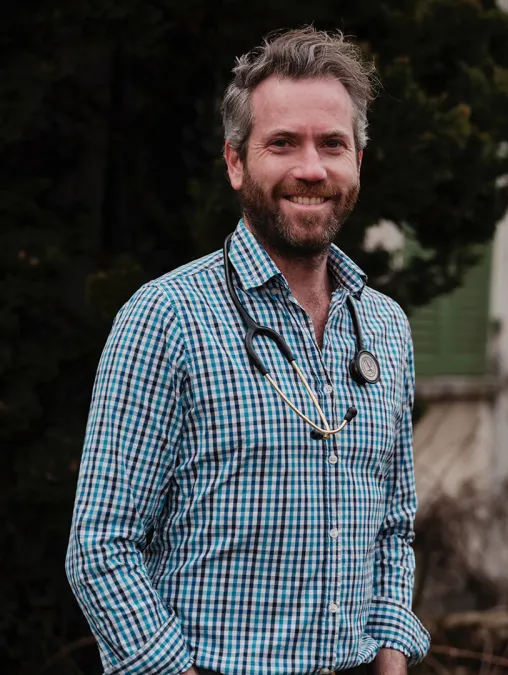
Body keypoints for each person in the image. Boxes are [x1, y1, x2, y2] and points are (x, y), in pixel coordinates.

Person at [65, 27, 429, 675]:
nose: (310, 169)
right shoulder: (166, 316)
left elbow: (394, 528)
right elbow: (101, 545)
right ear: (236, 162)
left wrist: (393, 653)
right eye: (282, 143)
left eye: (332, 145)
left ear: (358, 164)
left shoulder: (386, 327)